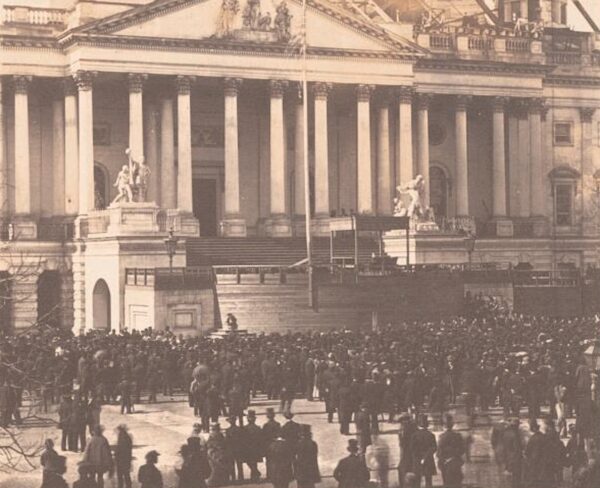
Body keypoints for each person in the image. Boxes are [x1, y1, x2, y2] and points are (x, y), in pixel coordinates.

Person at [437, 415, 465, 488]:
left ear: (444, 426)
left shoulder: (442, 437)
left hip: (445, 463)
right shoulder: (458, 436)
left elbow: (439, 453)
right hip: (456, 462)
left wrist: (442, 460)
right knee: (457, 483)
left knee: (447, 483)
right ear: (452, 425)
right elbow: (462, 450)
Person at [411, 414, 437, 488]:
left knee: (417, 482)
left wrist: (419, 457)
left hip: (417, 460)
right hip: (428, 460)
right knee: (429, 481)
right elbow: (434, 448)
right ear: (427, 425)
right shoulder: (431, 435)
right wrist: (426, 456)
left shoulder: (414, 436)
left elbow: (412, 449)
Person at [502, 417, 523, 488]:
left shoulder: (506, 433)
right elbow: (517, 448)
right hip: (515, 459)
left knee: (509, 478)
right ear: (516, 426)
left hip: (507, 457)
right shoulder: (515, 435)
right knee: (516, 478)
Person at [242, 409, 263, 481]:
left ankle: (255, 474)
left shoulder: (244, 428)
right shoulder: (258, 428)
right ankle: (255, 474)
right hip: (255, 448)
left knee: (250, 461)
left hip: (248, 448)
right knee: (254, 462)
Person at [397, 412, 416, 488]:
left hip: (408, 452)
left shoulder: (409, 429)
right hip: (405, 452)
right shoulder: (402, 429)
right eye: (402, 420)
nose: (403, 422)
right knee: (402, 469)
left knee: (403, 469)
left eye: (405, 420)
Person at [225, 416, 245, 482]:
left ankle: (233, 478)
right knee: (239, 464)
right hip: (239, 449)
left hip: (231, 450)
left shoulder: (228, 430)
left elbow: (227, 441)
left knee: (232, 464)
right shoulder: (239, 429)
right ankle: (241, 478)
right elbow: (242, 440)